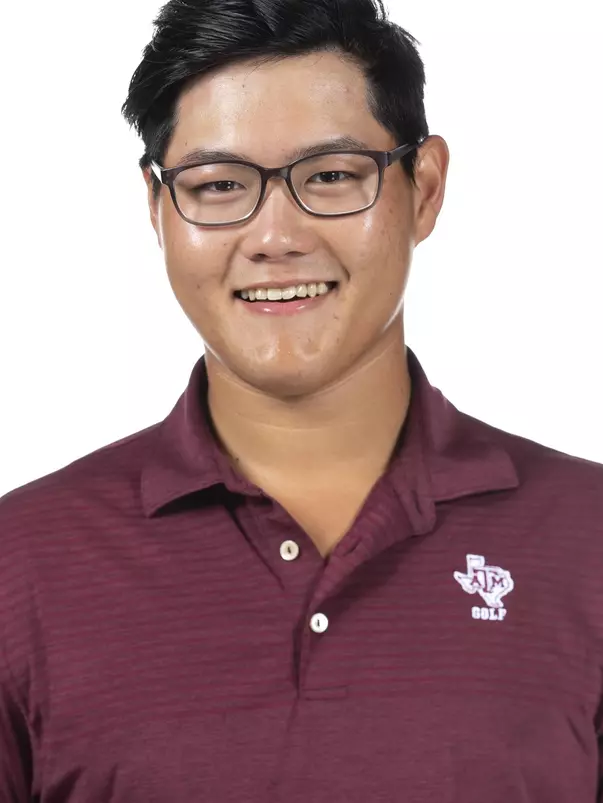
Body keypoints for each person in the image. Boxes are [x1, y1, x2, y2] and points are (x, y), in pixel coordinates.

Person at [1, 0, 602, 800]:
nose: (275, 236)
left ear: (422, 189)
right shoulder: (22, 564)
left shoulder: (586, 538)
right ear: (156, 209)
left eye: (328, 176)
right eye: (218, 185)